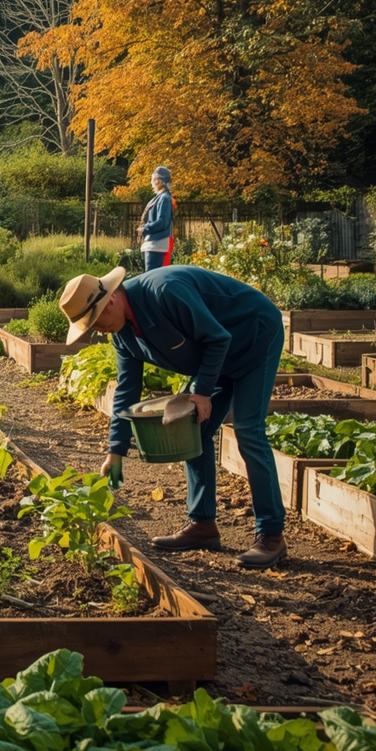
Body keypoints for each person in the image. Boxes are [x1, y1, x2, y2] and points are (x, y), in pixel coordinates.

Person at [58, 264, 288, 569]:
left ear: (110, 301)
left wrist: (202, 392)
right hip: (217, 358)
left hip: (254, 337)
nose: (97, 331)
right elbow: (127, 390)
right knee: (192, 428)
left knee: (248, 431)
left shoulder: (165, 292)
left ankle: (271, 535)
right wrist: (115, 451)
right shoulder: (123, 335)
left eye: (95, 323)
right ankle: (202, 524)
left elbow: (217, 338)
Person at [137, 166, 174, 271]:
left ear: (159, 181)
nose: (151, 183)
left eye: (152, 179)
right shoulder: (160, 197)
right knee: (151, 276)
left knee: (152, 276)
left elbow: (162, 222)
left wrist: (145, 228)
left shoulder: (164, 198)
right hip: (154, 243)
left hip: (157, 244)